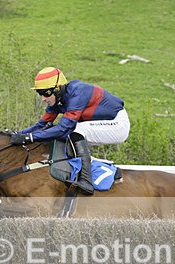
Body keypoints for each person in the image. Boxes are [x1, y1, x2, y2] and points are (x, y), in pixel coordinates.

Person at [10, 67, 129, 195]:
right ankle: (104, 169)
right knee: (61, 137)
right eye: (40, 93)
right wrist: (18, 134)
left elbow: (63, 128)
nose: (43, 98)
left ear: (58, 89)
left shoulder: (78, 93)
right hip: (101, 123)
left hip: (117, 125)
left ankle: (86, 181)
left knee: (74, 131)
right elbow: (41, 125)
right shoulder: (57, 100)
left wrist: (30, 137)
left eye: (46, 93)